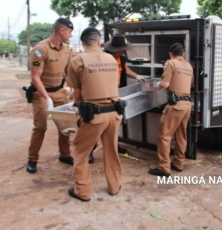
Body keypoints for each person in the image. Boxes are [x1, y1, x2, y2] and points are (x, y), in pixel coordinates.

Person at [67, 27, 124, 201]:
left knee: (81, 151)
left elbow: (77, 94)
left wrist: (78, 107)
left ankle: (82, 191)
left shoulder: (77, 60)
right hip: (115, 114)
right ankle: (114, 186)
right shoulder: (111, 59)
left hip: (94, 116)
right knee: (111, 150)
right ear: (99, 42)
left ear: (83, 43)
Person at [87, 34, 146, 163]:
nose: (124, 51)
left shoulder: (122, 59)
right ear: (115, 49)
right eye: (123, 49)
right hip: (103, 96)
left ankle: (115, 146)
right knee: (98, 125)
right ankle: (90, 151)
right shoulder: (102, 58)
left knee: (115, 124)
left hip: (117, 95)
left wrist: (137, 76)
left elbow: (126, 69)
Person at [26, 18, 74, 174]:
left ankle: (65, 155)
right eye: (70, 31)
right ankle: (32, 159)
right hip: (41, 92)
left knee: (66, 125)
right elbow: (35, 77)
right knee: (41, 127)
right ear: (62, 31)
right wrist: (46, 97)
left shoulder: (67, 49)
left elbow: (68, 72)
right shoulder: (41, 49)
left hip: (59, 91)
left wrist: (71, 87)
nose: (71, 35)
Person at [149, 43, 194, 177]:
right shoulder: (189, 66)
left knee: (164, 136)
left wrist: (154, 85)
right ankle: (179, 164)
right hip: (187, 105)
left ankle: (163, 167)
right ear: (183, 54)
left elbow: (165, 84)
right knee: (181, 136)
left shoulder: (170, 63)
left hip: (175, 105)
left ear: (170, 54)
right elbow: (191, 84)